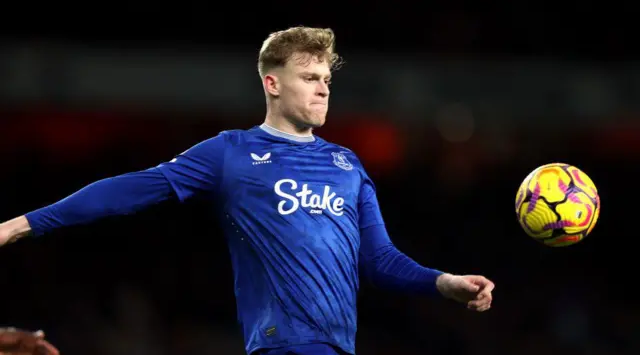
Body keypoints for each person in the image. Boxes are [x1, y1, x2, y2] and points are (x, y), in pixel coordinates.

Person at [0, 26, 495, 355]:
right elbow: (134, 189)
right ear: (272, 84)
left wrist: (443, 282)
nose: (323, 89)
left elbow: (379, 258)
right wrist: (23, 224)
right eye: (309, 77)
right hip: (280, 345)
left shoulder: (347, 164)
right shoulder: (232, 153)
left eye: (326, 79)